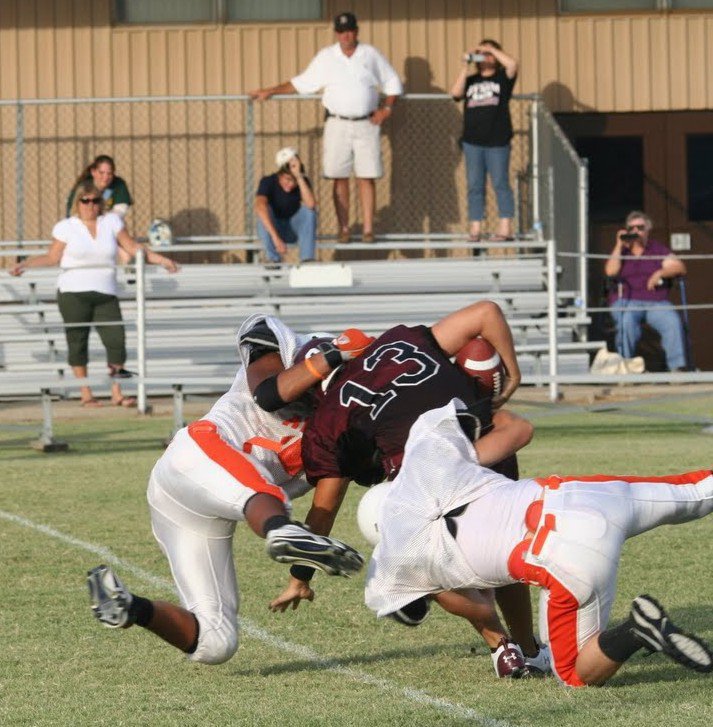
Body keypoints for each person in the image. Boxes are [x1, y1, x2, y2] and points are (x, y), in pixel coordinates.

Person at [262, 302, 549, 675]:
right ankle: (529, 648)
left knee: (423, 569)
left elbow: (325, 509)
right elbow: (487, 312)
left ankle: (499, 643)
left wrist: (300, 578)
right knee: (503, 548)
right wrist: (512, 373)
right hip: (487, 439)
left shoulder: (329, 421)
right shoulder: (396, 342)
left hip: (431, 477)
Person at [364, 399, 713, 686]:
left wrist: (431, 583)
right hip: (576, 492)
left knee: (575, 674)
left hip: (562, 554)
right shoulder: (423, 459)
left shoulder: (396, 560)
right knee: (694, 492)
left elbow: (417, 612)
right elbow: (467, 413)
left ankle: (637, 630)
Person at [86, 314, 367, 665]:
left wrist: (299, 578)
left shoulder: (339, 428)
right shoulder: (275, 346)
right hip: (197, 456)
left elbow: (325, 508)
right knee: (265, 494)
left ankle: (127, 606)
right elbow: (268, 395)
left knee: (217, 643)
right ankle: (279, 529)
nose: (317, 403)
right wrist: (333, 357)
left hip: (200, 510)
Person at [10, 181, 178, 408]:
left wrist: (162, 260)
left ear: (101, 203)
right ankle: (85, 393)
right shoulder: (66, 226)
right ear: (77, 203)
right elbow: (52, 257)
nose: (90, 205)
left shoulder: (111, 222)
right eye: (85, 201)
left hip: (106, 292)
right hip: (73, 293)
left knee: (116, 340)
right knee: (78, 342)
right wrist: (26, 264)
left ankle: (116, 391)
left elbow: (132, 247)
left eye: (95, 201)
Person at [250, 11, 402, 244]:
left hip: (366, 123)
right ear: (336, 33)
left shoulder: (370, 54)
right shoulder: (326, 57)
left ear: (356, 31)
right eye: (341, 31)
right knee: (338, 177)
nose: (346, 35)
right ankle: (344, 229)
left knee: (366, 177)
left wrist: (386, 110)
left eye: (350, 30)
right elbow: (301, 83)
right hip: (336, 123)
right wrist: (270, 91)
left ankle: (368, 230)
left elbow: (392, 83)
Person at [450, 40, 518, 243]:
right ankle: (475, 228)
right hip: (473, 142)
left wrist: (492, 50)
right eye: (480, 53)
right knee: (475, 185)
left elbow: (513, 65)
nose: (484, 56)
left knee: (500, 183)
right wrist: (465, 65)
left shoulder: (502, 78)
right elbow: (455, 94)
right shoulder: (471, 80)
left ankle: (505, 228)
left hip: (497, 141)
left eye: (487, 54)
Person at [604, 210, 688, 371]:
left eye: (640, 227)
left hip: (655, 301)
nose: (636, 231)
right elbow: (610, 272)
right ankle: (625, 368)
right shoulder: (622, 251)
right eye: (631, 228)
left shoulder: (656, 249)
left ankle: (677, 369)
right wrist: (619, 245)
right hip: (627, 300)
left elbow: (679, 266)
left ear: (648, 229)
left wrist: (660, 273)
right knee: (626, 320)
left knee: (672, 321)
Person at [255, 147, 317, 264]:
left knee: (309, 212)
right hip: (274, 230)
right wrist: (275, 238)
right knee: (263, 211)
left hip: (293, 230)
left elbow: (311, 204)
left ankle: (307, 259)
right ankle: (273, 259)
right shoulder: (268, 181)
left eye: (294, 181)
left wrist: (299, 177)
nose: (291, 184)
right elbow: (259, 206)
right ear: (280, 174)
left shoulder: (301, 181)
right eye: (287, 179)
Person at [66, 155, 133, 219]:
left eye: (109, 173)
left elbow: (120, 212)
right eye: (101, 173)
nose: (106, 177)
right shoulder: (83, 187)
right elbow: (73, 213)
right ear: (93, 172)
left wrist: (103, 222)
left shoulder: (118, 184)